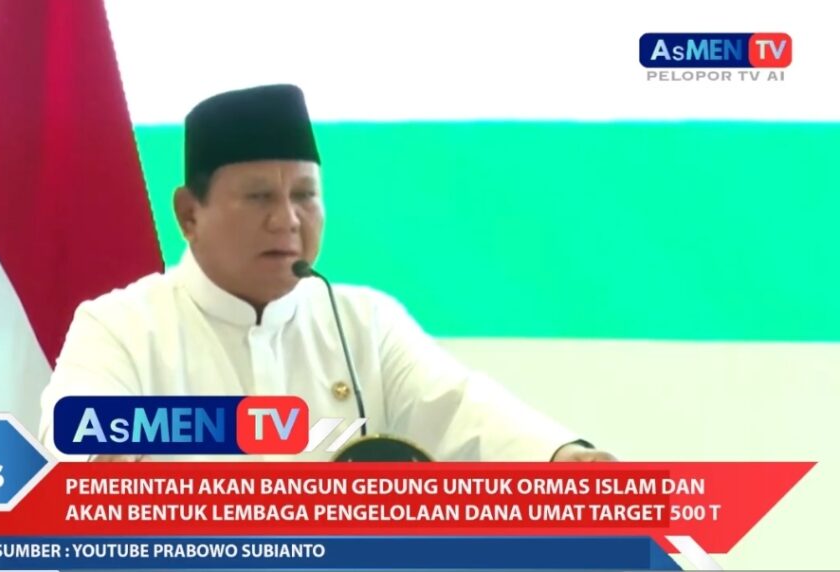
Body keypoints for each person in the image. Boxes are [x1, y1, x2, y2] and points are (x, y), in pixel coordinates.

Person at [38, 84, 614, 463]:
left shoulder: (363, 321)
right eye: (259, 197)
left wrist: (562, 458)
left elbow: (462, 411)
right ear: (190, 213)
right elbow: (74, 433)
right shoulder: (122, 325)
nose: (287, 220)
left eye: (305, 196)